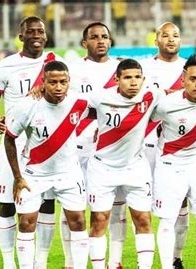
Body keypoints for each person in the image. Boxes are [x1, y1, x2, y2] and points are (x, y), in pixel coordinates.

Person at [0, 16, 60, 269]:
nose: (36, 35)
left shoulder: (56, 64)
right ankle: (8, 263)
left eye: (41, 31)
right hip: (11, 142)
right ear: (21, 36)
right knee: (6, 202)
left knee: (47, 201)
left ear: (46, 36)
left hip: (46, 142)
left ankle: (40, 262)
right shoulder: (5, 67)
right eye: (31, 31)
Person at [4, 60, 89, 269]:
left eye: (63, 82)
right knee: (26, 223)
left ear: (69, 81)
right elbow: (9, 138)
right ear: (43, 82)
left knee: (78, 221)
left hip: (69, 173)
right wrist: (18, 177)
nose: (58, 87)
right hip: (34, 174)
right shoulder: (28, 106)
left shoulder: (80, 102)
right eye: (52, 82)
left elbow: (106, 109)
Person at [87, 59, 162, 269]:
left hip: (135, 167)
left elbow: (177, 93)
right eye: (127, 77)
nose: (133, 82)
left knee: (143, 220)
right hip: (103, 168)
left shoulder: (151, 95)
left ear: (143, 79)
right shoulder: (100, 96)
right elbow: (68, 102)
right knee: (99, 220)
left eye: (137, 77)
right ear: (117, 79)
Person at [151, 55, 196, 269]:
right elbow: (146, 119)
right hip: (170, 167)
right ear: (183, 80)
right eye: (193, 79)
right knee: (166, 222)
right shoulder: (165, 104)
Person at [65, 21, 122, 269]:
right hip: (78, 146)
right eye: (94, 37)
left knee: (115, 207)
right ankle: (70, 262)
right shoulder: (73, 69)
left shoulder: (122, 68)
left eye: (104, 36)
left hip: (112, 149)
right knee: (72, 207)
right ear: (84, 43)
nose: (100, 40)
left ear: (110, 41)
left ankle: (115, 261)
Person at [138, 21, 189, 269]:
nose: (171, 39)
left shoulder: (189, 69)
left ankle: (176, 258)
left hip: (178, 145)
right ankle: (142, 260)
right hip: (147, 142)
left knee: (180, 202)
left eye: (176, 35)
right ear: (156, 39)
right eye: (165, 35)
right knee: (141, 202)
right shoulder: (145, 68)